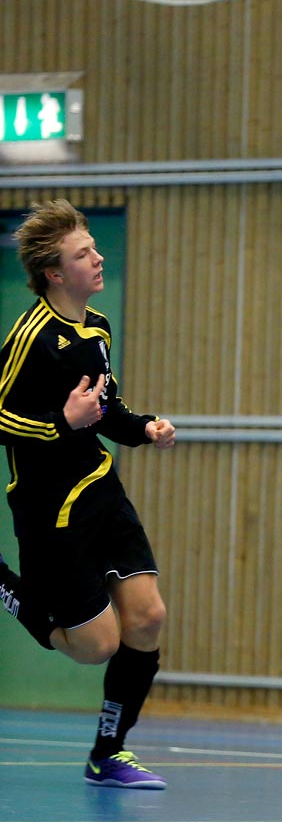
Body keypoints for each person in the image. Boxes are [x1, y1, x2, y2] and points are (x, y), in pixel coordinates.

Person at [2, 199, 176, 789]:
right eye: (84, 254)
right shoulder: (29, 338)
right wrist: (61, 424)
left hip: (101, 490)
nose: (98, 258)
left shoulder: (95, 327)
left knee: (148, 619)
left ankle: (109, 753)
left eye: (95, 248)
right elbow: (1, 417)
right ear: (54, 272)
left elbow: (105, 409)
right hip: (50, 510)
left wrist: (143, 427)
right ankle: (5, 583)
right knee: (95, 645)